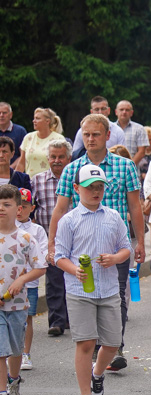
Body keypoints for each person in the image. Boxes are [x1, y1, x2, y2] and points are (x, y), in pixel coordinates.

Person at [48, 114, 145, 371]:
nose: (91, 139)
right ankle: (92, 347)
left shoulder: (125, 166)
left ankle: (114, 346)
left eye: (96, 134)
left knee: (118, 295)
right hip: (81, 247)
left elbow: (135, 206)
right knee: (86, 296)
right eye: (87, 135)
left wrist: (140, 242)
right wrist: (51, 246)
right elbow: (60, 209)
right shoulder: (72, 168)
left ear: (107, 136)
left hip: (116, 244)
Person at [54, 167, 129, 395]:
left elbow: (125, 248)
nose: (96, 191)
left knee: (112, 342)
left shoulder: (114, 217)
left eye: (100, 186)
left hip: (108, 289)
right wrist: (74, 270)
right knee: (86, 342)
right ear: (76, 189)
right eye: (89, 187)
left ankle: (98, 374)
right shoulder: (69, 220)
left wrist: (114, 258)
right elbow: (60, 256)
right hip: (79, 291)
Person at [0, 185, 45, 395]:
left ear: (18, 209)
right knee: (0, 351)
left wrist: (21, 281)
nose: (1, 208)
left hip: (17, 305)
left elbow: (40, 267)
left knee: (16, 350)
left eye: (6, 204)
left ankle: (14, 380)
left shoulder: (26, 238)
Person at [32, 140, 72, 336]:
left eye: (61, 157)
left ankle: (72, 318)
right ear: (48, 158)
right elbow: (31, 209)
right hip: (50, 238)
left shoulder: (76, 179)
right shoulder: (37, 180)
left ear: (68, 158)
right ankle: (57, 321)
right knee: (54, 281)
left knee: (74, 279)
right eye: (53, 157)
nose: (57, 161)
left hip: (75, 239)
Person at [16, 189, 46, 371]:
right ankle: (12, 352)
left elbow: (41, 254)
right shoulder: (6, 226)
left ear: (32, 208)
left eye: (24, 206)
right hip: (8, 282)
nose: (19, 210)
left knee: (27, 318)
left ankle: (25, 353)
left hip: (30, 282)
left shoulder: (37, 230)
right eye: (17, 206)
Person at [19, 108, 66, 177]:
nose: (34, 121)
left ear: (47, 121)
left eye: (37, 118)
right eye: (34, 118)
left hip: (50, 183)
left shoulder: (58, 138)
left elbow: (63, 162)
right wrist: (15, 181)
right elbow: (21, 163)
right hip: (29, 183)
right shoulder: (28, 137)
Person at [0, 102, 28, 168]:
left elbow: (24, 155)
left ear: (11, 115)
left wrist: (10, 169)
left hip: (14, 173)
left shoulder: (20, 131)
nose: (1, 115)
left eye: (4, 113)